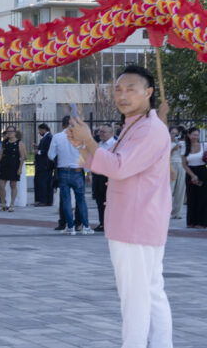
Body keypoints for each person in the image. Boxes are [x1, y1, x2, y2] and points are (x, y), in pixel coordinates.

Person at [67, 65, 173, 348]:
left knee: (136, 297)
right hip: (137, 222)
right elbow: (104, 163)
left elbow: (119, 167)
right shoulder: (136, 126)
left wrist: (89, 140)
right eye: (118, 89)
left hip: (135, 224)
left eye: (130, 89)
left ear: (148, 92)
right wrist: (82, 145)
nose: (122, 95)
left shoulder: (149, 129)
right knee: (150, 293)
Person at [49, 117, 92, 234]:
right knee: (81, 200)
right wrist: (88, 172)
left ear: (62, 125)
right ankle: (86, 226)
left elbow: (50, 155)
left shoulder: (57, 137)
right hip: (77, 170)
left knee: (66, 200)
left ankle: (70, 227)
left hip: (63, 170)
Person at [0, 126, 26, 212]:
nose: (9, 133)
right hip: (4, 165)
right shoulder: (4, 143)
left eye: (11, 131)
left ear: (15, 132)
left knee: (13, 185)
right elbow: (0, 154)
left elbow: (23, 156)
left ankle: (12, 204)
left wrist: (20, 168)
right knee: (1, 185)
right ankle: (3, 203)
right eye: (8, 131)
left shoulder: (19, 143)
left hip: (14, 165)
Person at [182, 127, 207, 229]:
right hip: (190, 172)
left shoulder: (204, 145)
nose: (195, 137)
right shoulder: (184, 146)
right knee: (191, 198)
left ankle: (201, 222)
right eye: (193, 135)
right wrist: (192, 175)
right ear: (189, 135)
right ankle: (191, 221)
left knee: (203, 198)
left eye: (197, 135)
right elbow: (184, 164)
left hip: (202, 172)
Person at [92, 125, 116, 232]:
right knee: (99, 200)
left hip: (108, 177)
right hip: (98, 176)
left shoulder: (115, 145)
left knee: (110, 201)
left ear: (111, 133)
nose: (100, 134)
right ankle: (102, 223)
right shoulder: (99, 145)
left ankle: (111, 223)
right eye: (100, 132)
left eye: (103, 132)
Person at [33, 123, 54, 206]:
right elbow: (45, 147)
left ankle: (44, 200)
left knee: (43, 183)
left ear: (44, 129)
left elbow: (48, 150)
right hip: (42, 164)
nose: (39, 132)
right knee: (42, 182)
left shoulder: (49, 137)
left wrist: (38, 152)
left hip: (45, 164)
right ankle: (44, 200)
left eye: (40, 130)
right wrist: (38, 146)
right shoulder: (45, 138)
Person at [169, 126, 186, 220]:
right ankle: (166, 211)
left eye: (176, 133)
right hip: (172, 165)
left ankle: (177, 212)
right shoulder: (167, 142)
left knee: (181, 189)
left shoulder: (182, 142)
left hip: (182, 165)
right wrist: (174, 148)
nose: (174, 135)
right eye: (172, 133)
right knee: (170, 188)